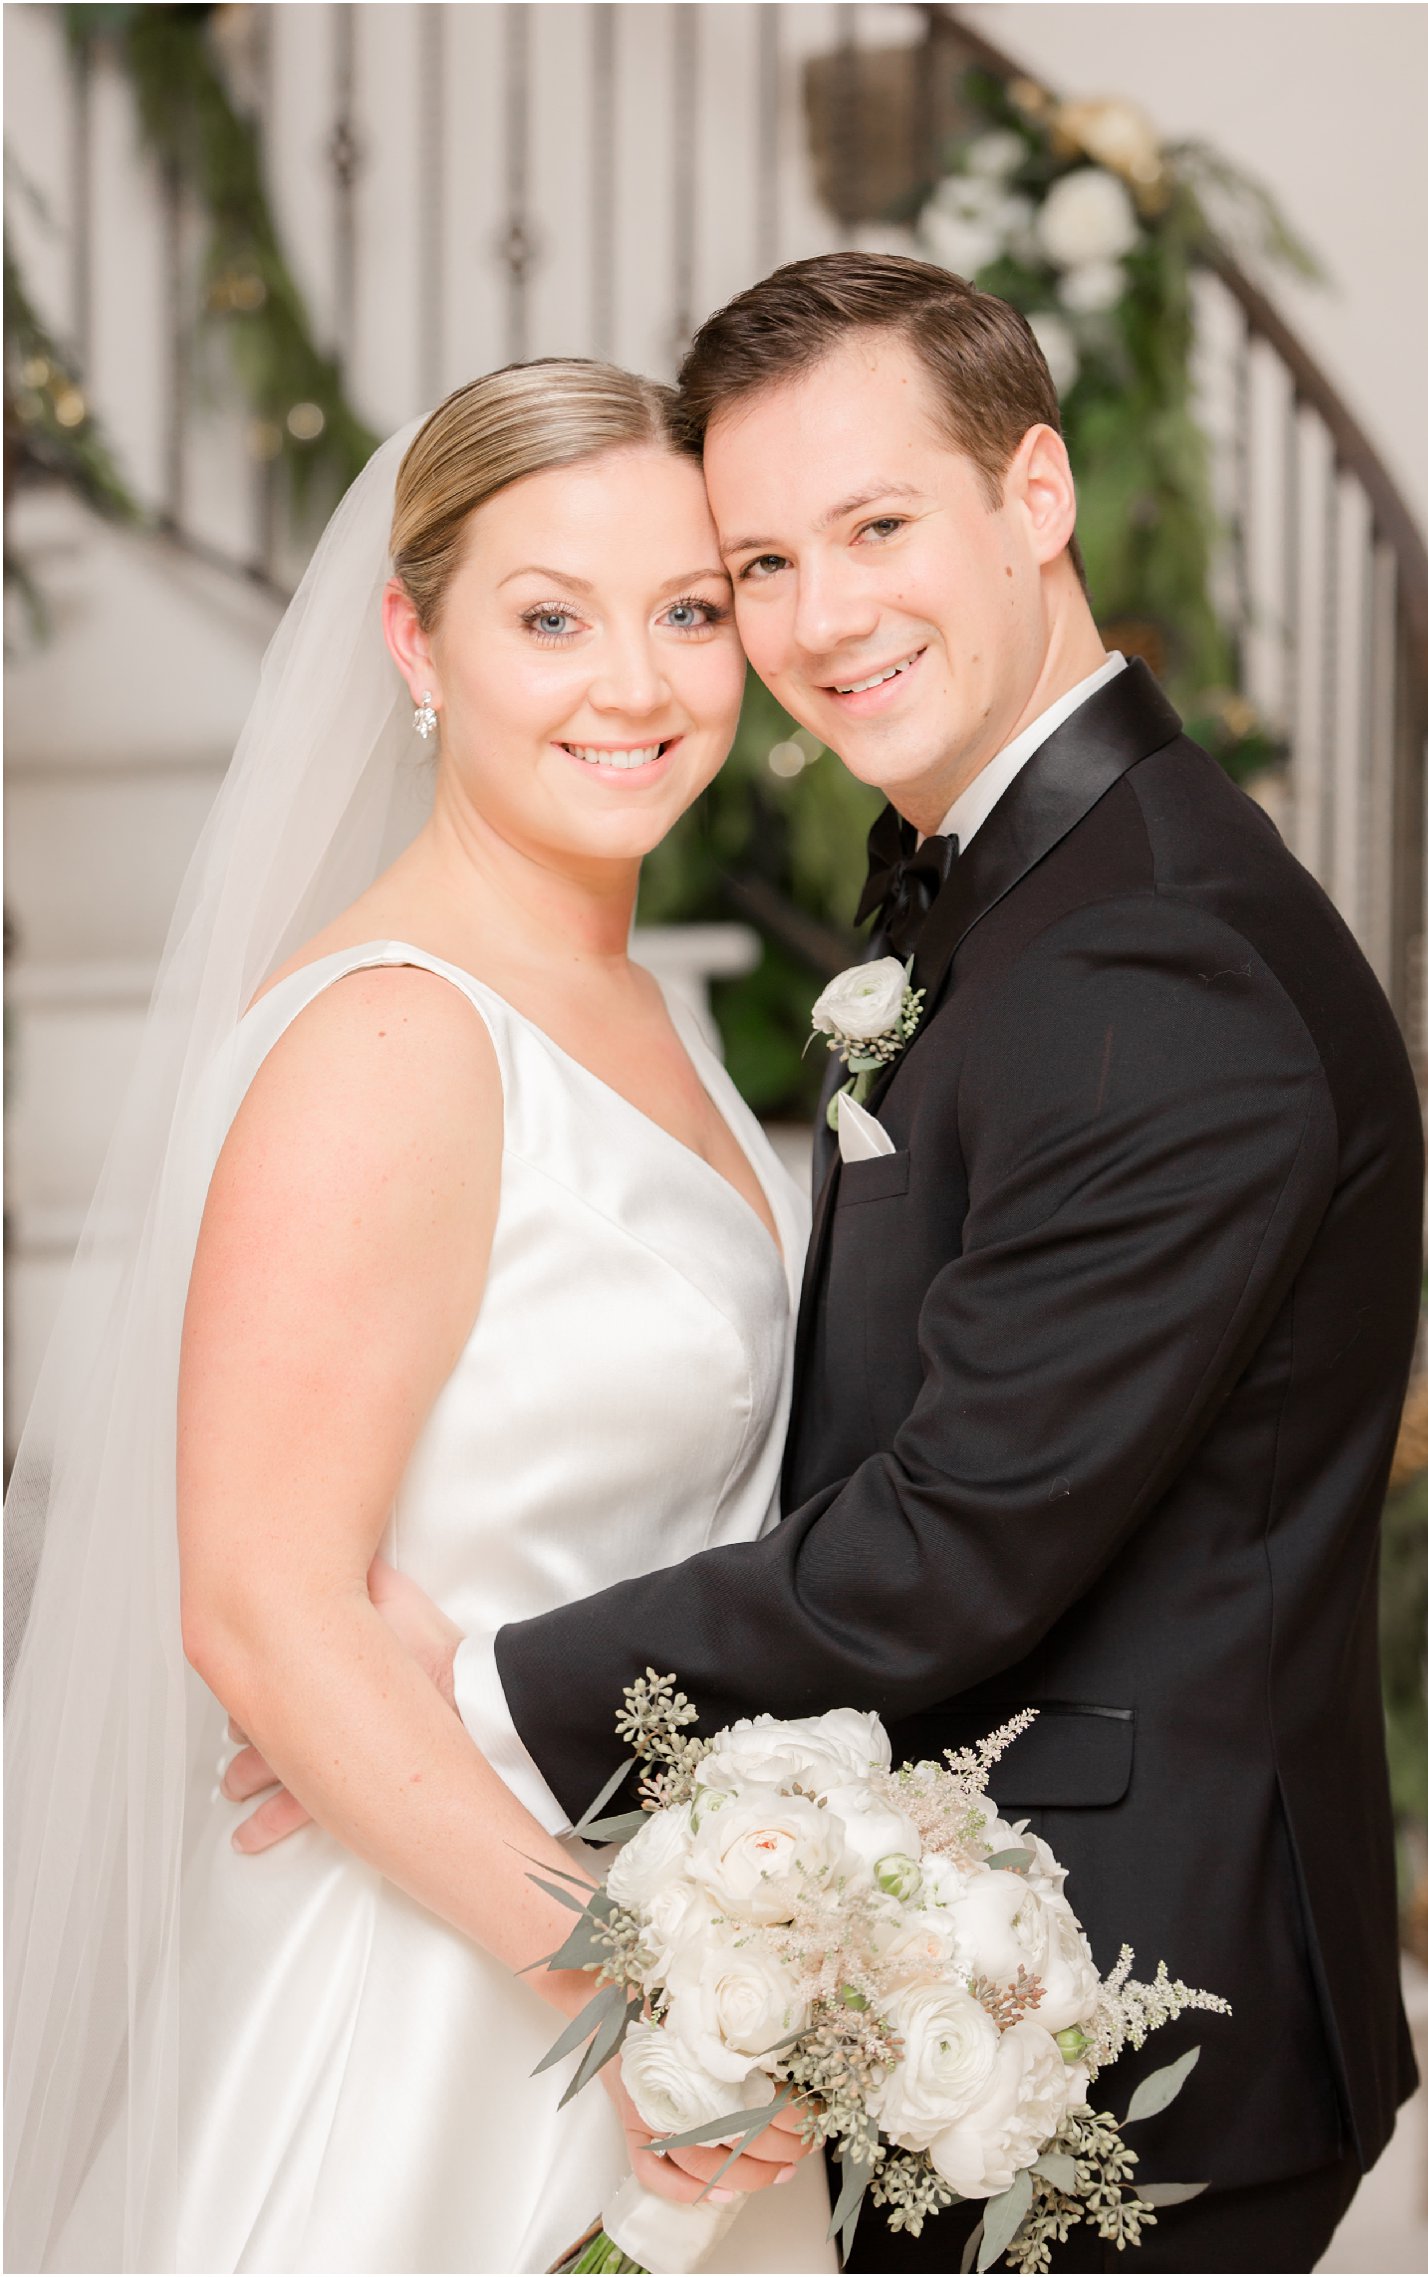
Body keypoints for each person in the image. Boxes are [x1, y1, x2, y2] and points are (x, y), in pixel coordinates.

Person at [236, 255, 1425, 2274]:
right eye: (760, 561)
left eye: (877, 527)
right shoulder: (1017, 886)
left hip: (1102, 2022)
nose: (819, 619)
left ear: (1034, 494)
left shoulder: (1154, 951)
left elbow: (955, 1532)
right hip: (919, 1976)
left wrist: (457, 1695)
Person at [3, 362, 832, 2273]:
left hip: (621, 1930)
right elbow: (260, 1605)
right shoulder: (397, 1031)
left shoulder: (633, 993)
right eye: (550, 616)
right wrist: (635, 1998)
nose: (633, 684)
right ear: (414, 635)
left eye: (689, 610)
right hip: (432, 1995)